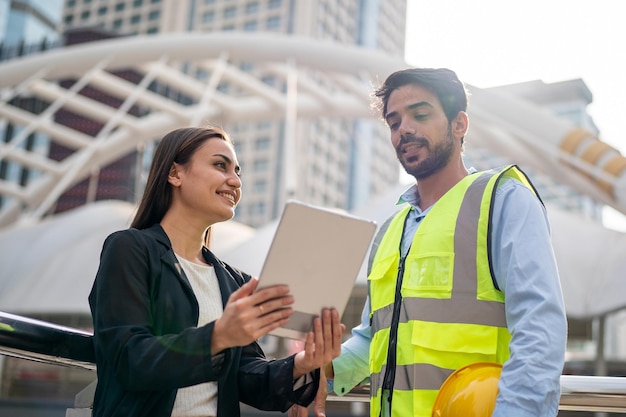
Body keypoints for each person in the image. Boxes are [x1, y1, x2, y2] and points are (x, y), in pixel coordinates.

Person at [291, 68, 567, 417]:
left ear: (459, 124)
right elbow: (374, 338)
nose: (404, 129)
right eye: (394, 123)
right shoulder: (390, 230)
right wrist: (317, 369)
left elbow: (539, 330)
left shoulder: (503, 200)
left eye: (420, 114)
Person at [88, 126, 345, 417]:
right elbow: (128, 359)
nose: (235, 181)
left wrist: (301, 364)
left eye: (238, 172)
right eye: (220, 165)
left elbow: (246, 377)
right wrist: (217, 337)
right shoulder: (130, 249)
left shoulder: (234, 281)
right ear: (175, 174)